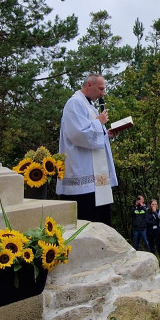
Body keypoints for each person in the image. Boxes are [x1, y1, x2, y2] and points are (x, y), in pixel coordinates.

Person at [57, 73, 118, 225]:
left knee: (102, 221)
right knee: (88, 221)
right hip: (82, 176)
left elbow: (91, 132)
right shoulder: (74, 103)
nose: (102, 93)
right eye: (101, 89)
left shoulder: (88, 105)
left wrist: (106, 133)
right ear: (89, 85)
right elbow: (78, 134)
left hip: (97, 178)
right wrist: (99, 123)